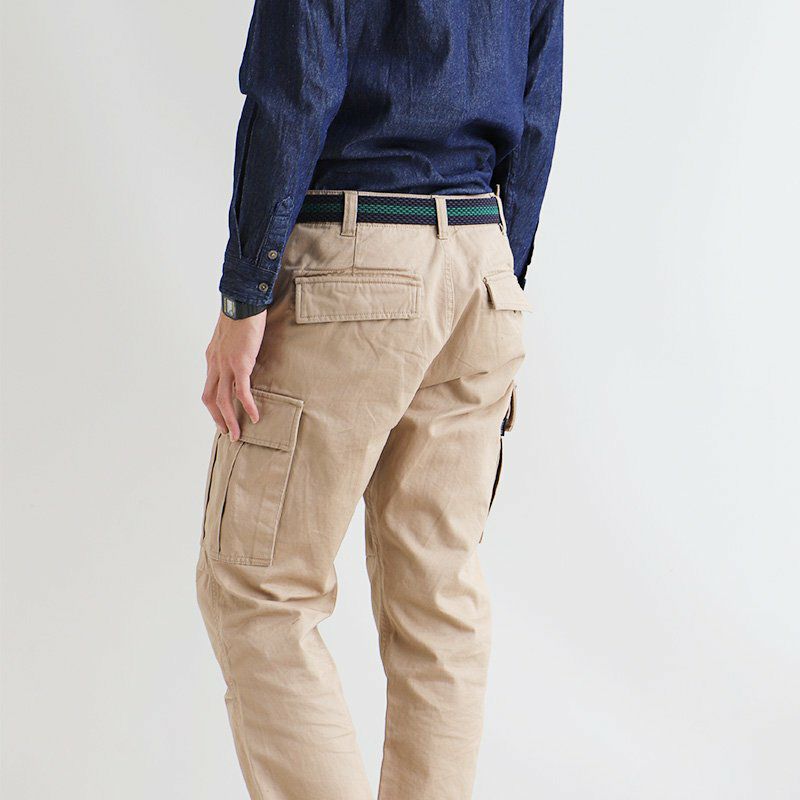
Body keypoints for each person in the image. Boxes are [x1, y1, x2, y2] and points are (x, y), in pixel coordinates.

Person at [196, 1, 563, 797]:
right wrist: (501, 278)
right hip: (482, 262)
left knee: (261, 589)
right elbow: (537, 108)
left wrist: (244, 294)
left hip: (355, 252)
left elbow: (296, 87)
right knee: (439, 596)